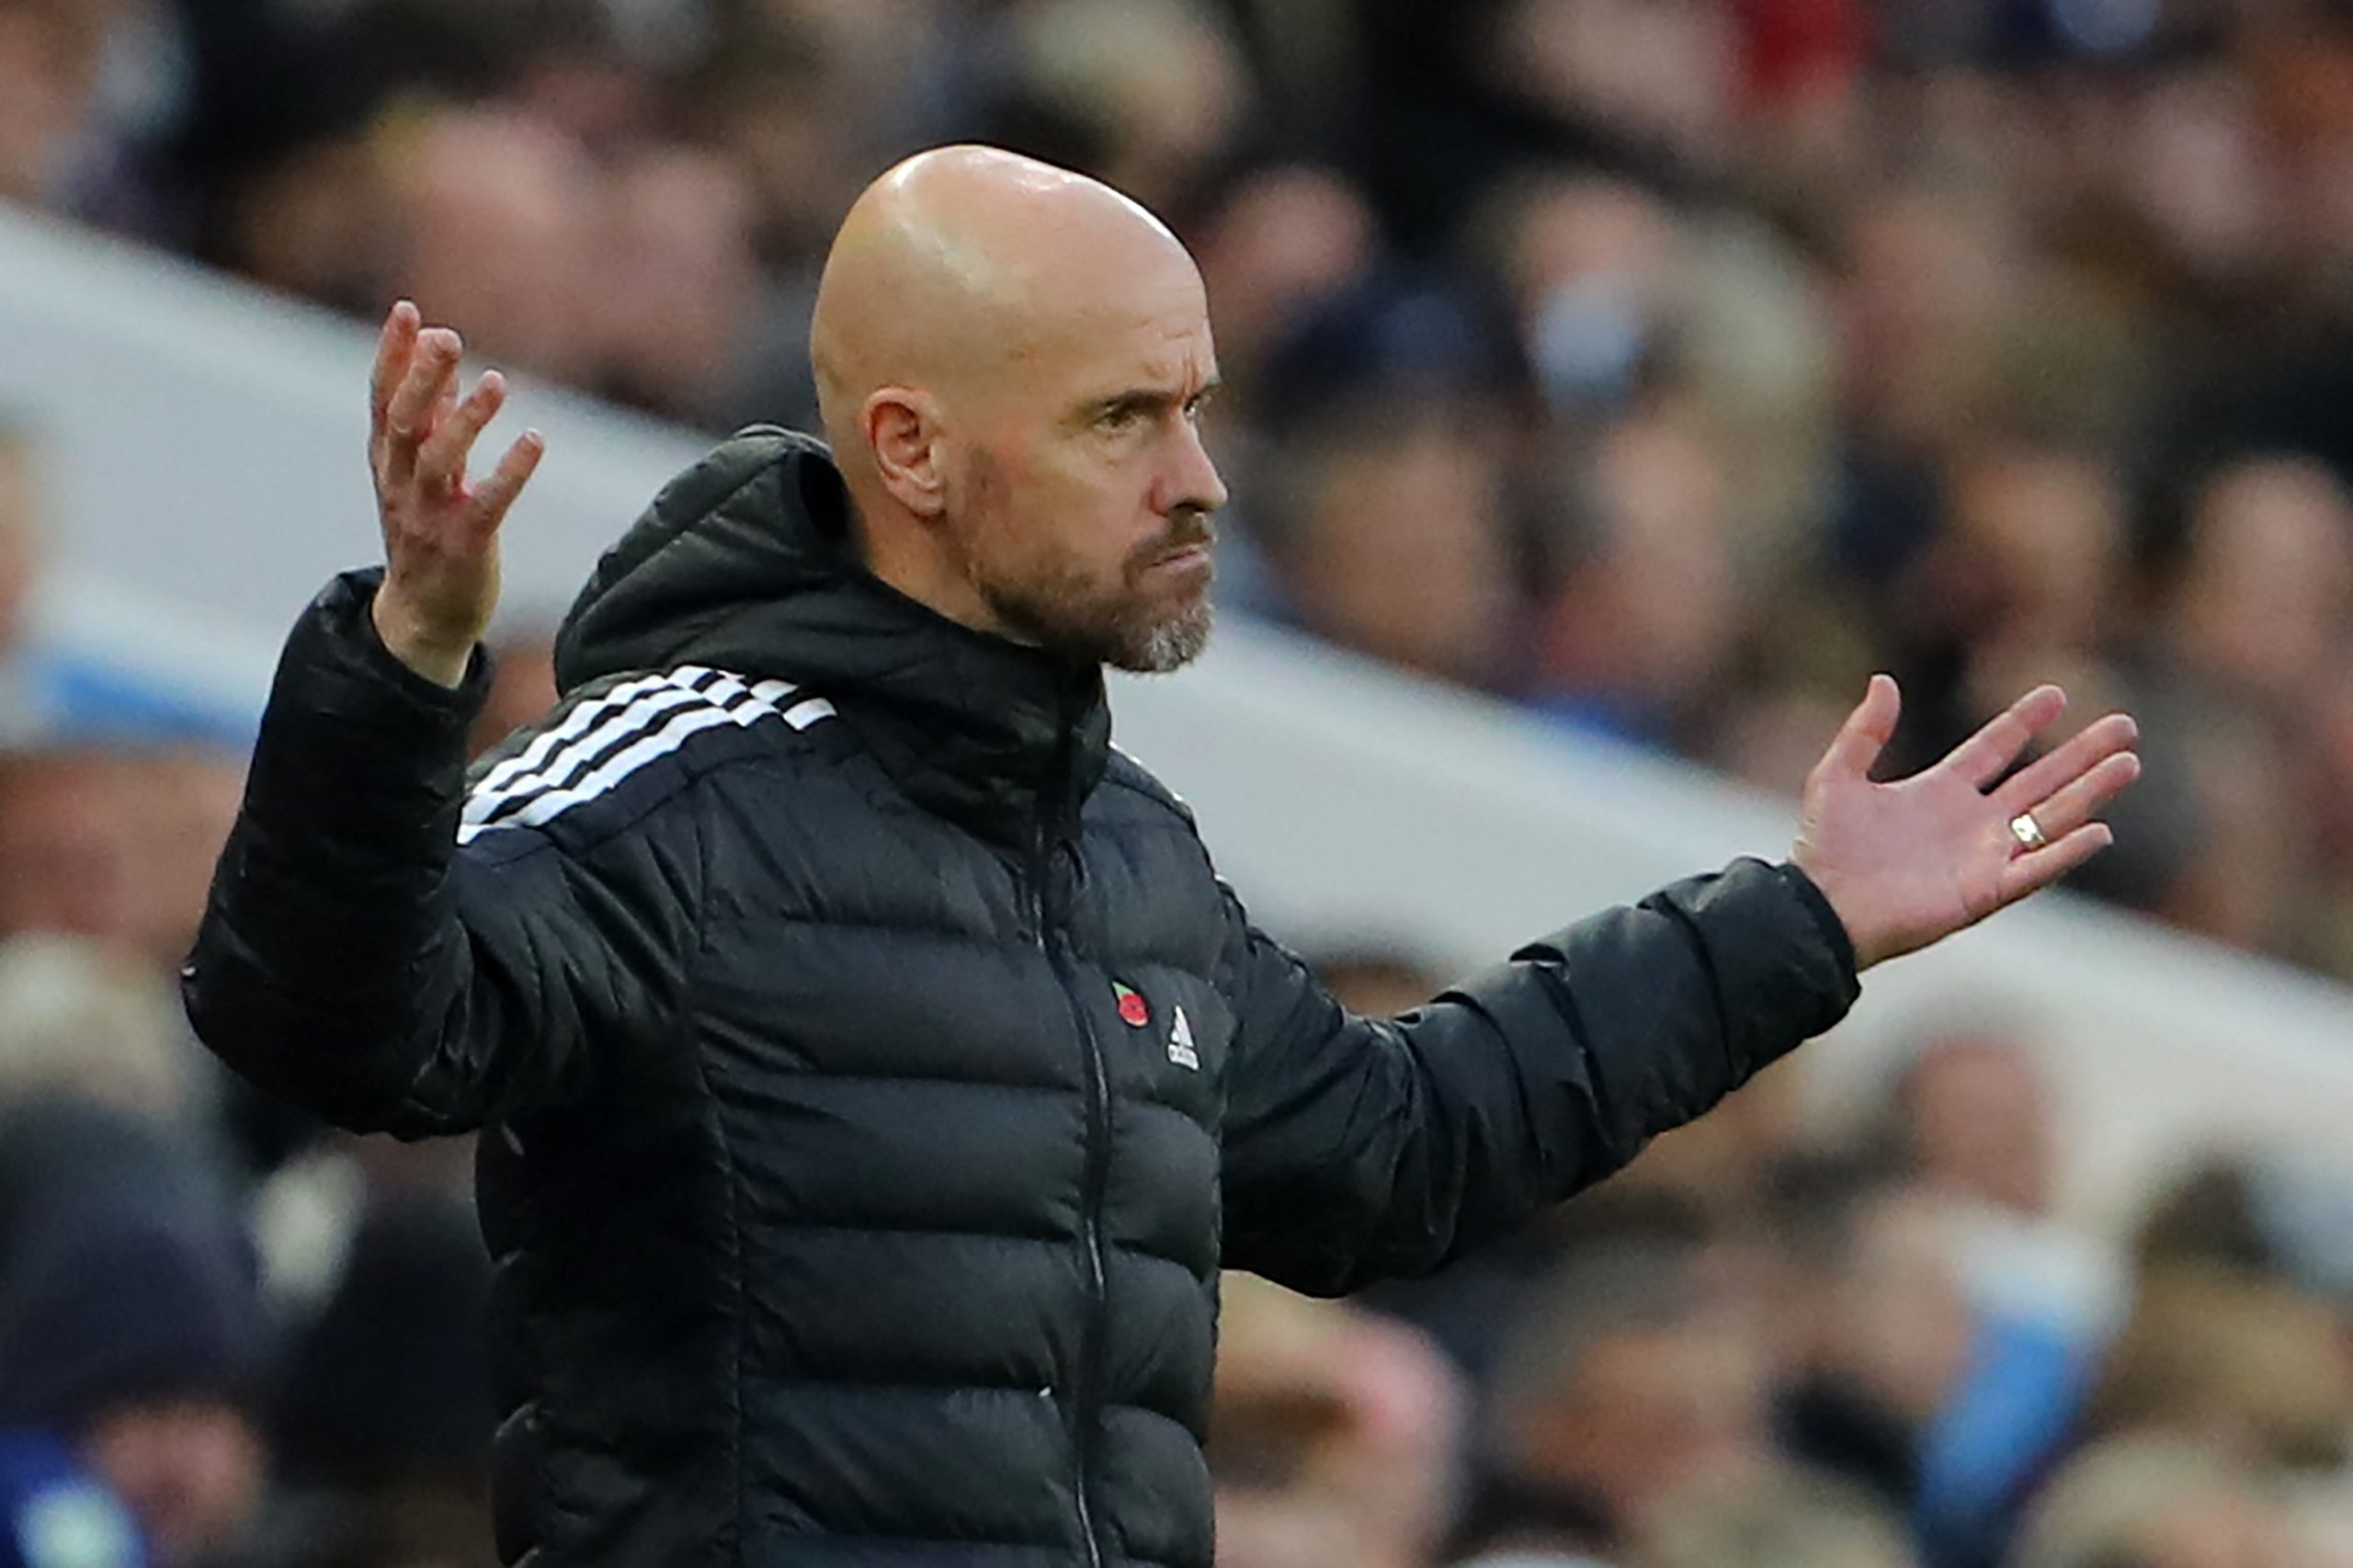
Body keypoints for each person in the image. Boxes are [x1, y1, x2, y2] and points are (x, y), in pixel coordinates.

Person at [182, 145, 2140, 1567]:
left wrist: (1793, 922)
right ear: (915, 449)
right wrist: (404, 661)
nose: (1199, 476)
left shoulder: (1116, 846)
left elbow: (1385, 1158)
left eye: (1194, 407)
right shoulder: (673, 776)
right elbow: (337, 1028)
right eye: (1124, 417)